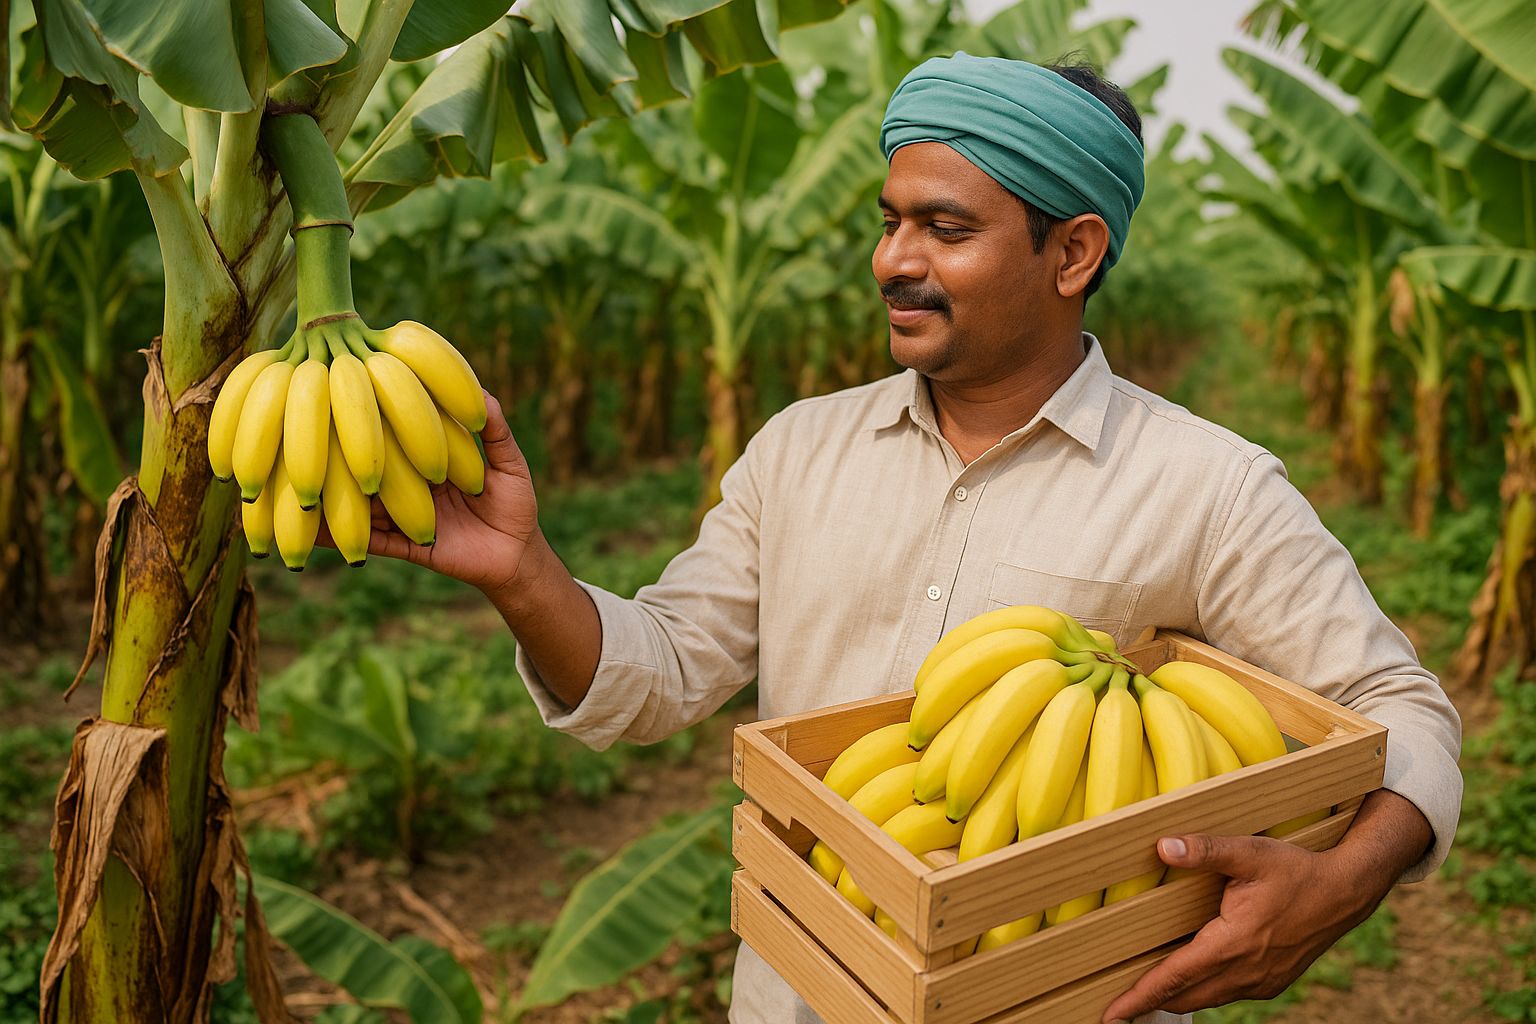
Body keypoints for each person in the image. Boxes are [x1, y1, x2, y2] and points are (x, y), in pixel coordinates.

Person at [353, 53, 1462, 1024]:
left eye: (945, 227)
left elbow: (1402, 710)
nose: (892, 258)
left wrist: (1344, 881)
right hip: (794, 999)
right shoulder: (798, 451)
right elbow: (665, 674)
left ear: (1072, 253)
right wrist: (522, 568)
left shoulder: (1205, 486)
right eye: (889, 221)